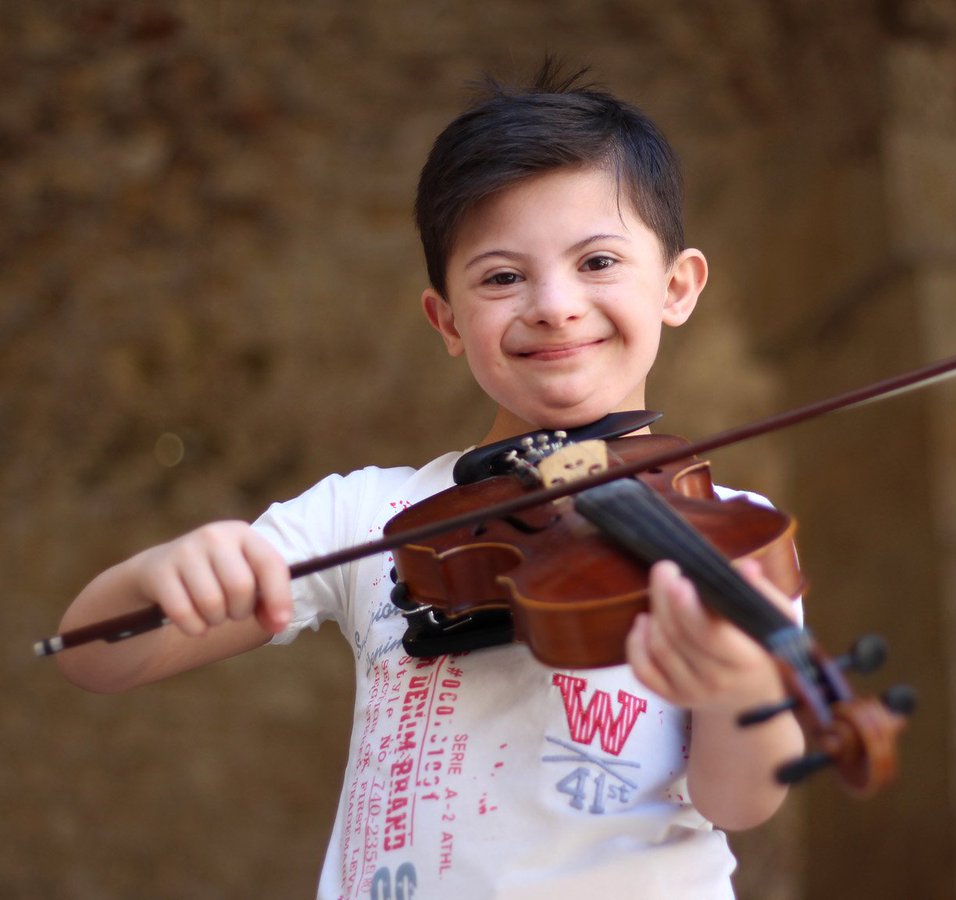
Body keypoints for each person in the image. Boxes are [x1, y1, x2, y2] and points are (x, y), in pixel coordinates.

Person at [55, 63, 806, 899]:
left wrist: (741, 681)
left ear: (676, 286)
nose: (554, 305)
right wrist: (164, 573)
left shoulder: (727, 530)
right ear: (446, 319)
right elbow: (96, 658)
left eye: (597, 261)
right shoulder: (376, 516)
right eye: (501, 277)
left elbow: (738, 802)